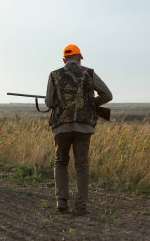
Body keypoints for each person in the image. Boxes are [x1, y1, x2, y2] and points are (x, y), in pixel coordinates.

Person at [45, 44, 112, 215]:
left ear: (64, 60)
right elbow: (107, 95)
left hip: (62, 126)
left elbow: (49, 103)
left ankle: (61, 202)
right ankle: (81, 206)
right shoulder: (88, 73)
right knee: (81, 165)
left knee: (61, 162)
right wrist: (90, 104)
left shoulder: (54, 75)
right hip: (84, 127)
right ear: (80, 58)